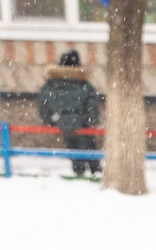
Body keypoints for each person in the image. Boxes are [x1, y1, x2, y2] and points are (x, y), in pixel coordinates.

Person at [36, 48, 105, 177]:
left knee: (72, 147)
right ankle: (95, 172)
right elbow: (92, 105)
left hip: (60, 121)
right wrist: (91, 122)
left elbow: (43, 105)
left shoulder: (50, 84)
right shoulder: (84, 85)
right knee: (89, 147)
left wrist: (49, 120)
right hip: (82, 123)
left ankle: (78, 171)